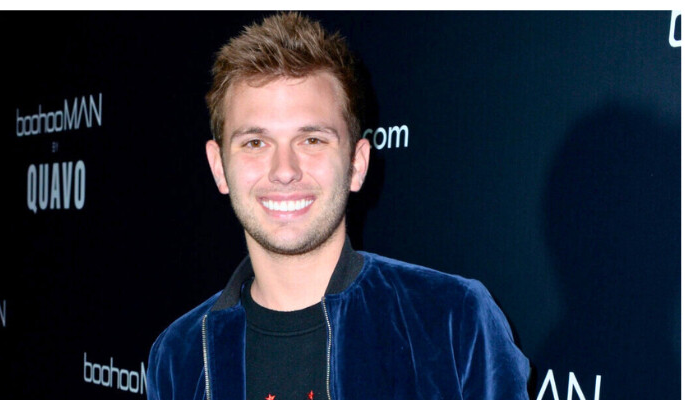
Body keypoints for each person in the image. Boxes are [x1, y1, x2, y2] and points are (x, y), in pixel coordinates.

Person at [147, 12, 530, 400]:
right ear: (219, 167)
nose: (284, 171)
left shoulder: (453, 323)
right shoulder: (179, 356)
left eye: (311, 140)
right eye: (255, 143)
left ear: (357, 164)